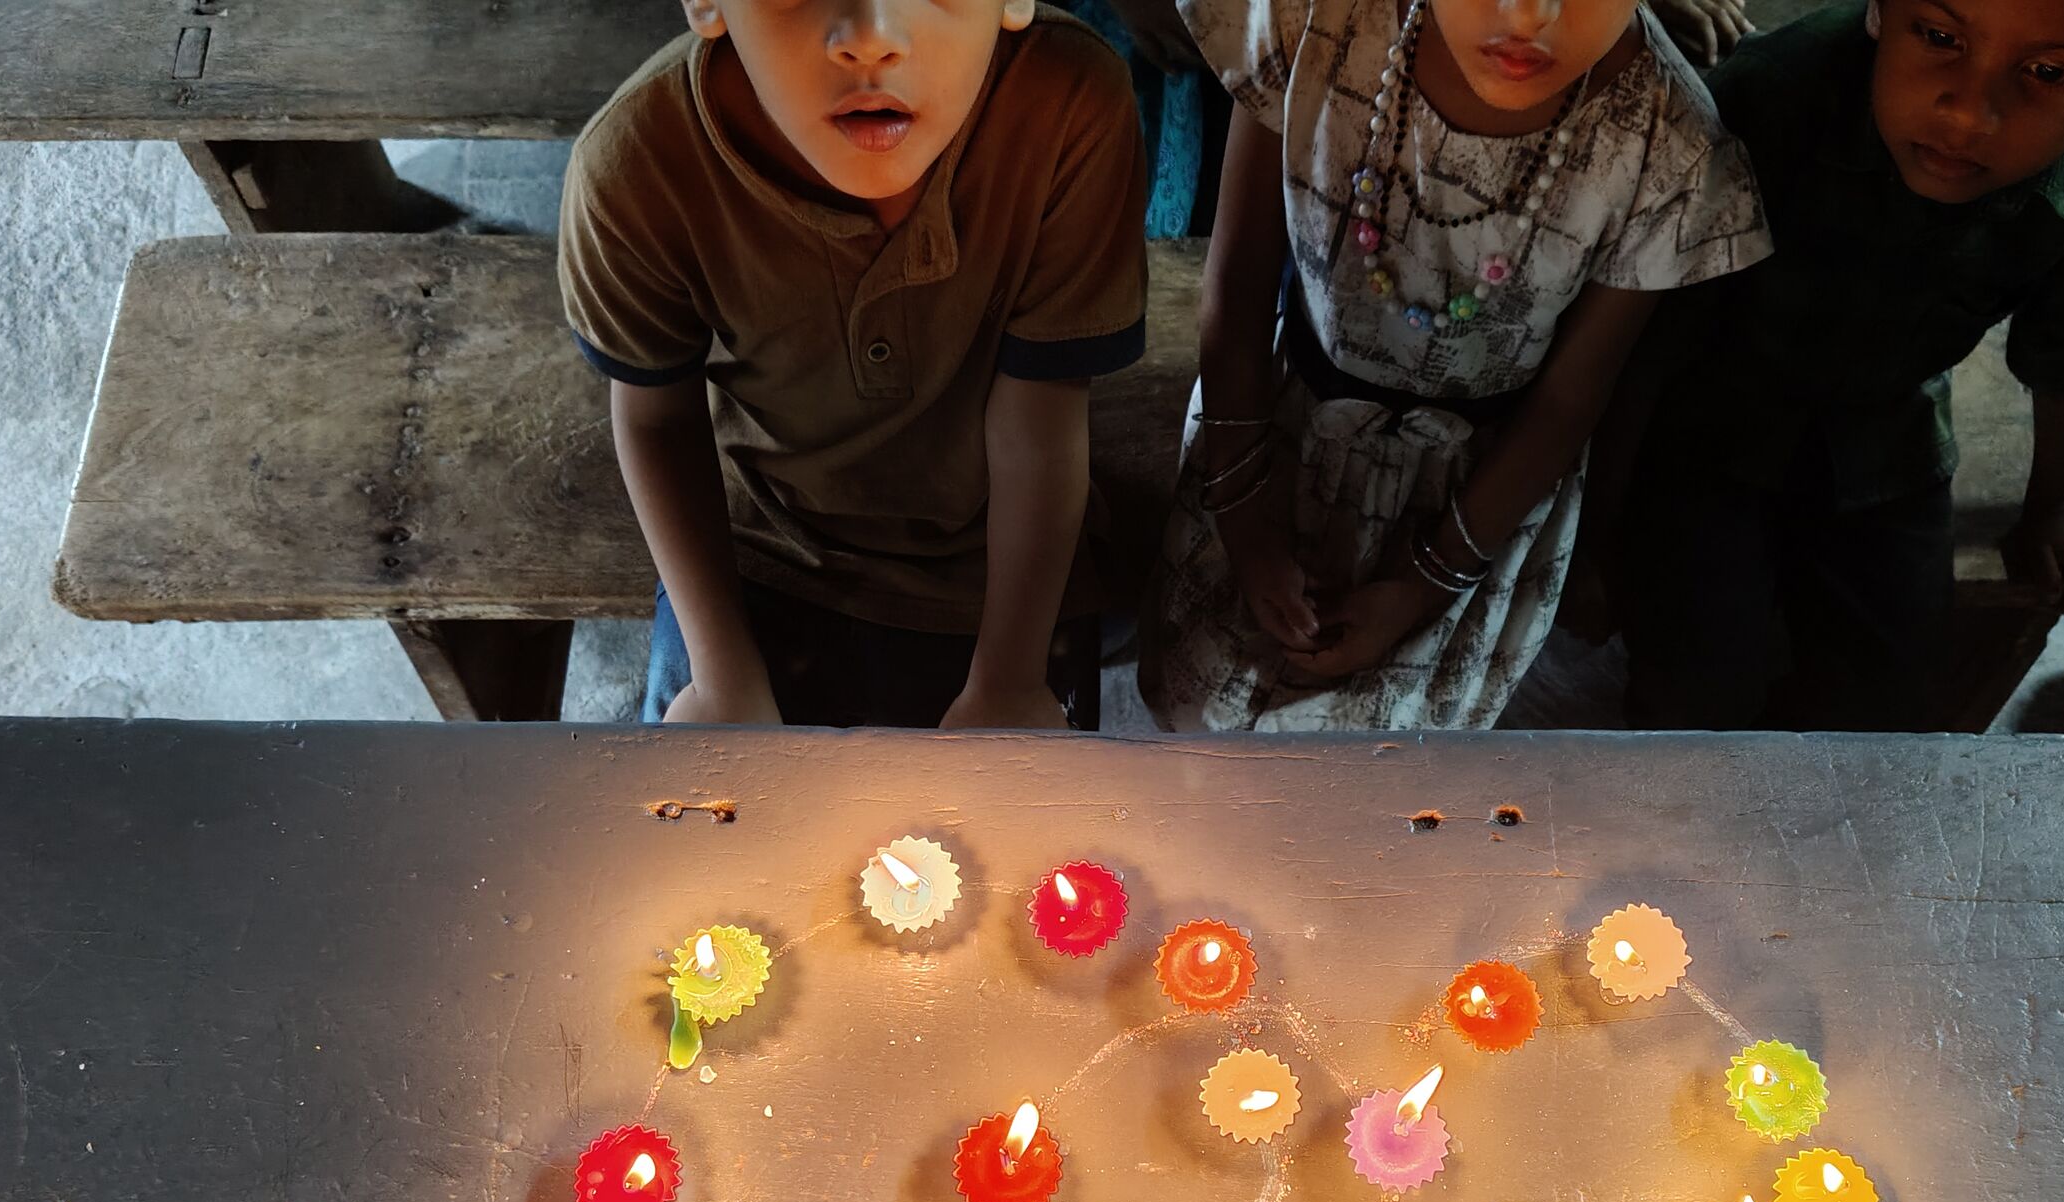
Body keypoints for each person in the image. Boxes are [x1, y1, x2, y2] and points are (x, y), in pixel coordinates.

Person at [1138, 0, 1772, 730]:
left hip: (1475, 500)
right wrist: (1246, 514)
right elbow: (1239, 281)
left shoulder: (1665, 148)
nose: (1531, 14)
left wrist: (1422, 585)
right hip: (1269, 430)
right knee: (1197, 708)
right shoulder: (1311, 20)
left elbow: (1566, 404)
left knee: (1389, 762)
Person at [559, 0, 1150, 728]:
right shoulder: (639, 160)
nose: (871, 37)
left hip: (994, 552)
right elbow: (657, 417)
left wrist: (1009, 678)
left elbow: (1043, 407)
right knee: (709, 796)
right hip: (761, 545)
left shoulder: (1066, 105)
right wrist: (720, 675)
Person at [1603, 0, 2064, 730]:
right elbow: (1646, 328)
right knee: (1694, 694)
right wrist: (1599, 528)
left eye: (2047, 72)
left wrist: (2055, 503)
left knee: (1888, 702)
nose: (1968, 114)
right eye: (1940, 37)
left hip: (1889, 430)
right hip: (1705, 423)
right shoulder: (1772, 93)